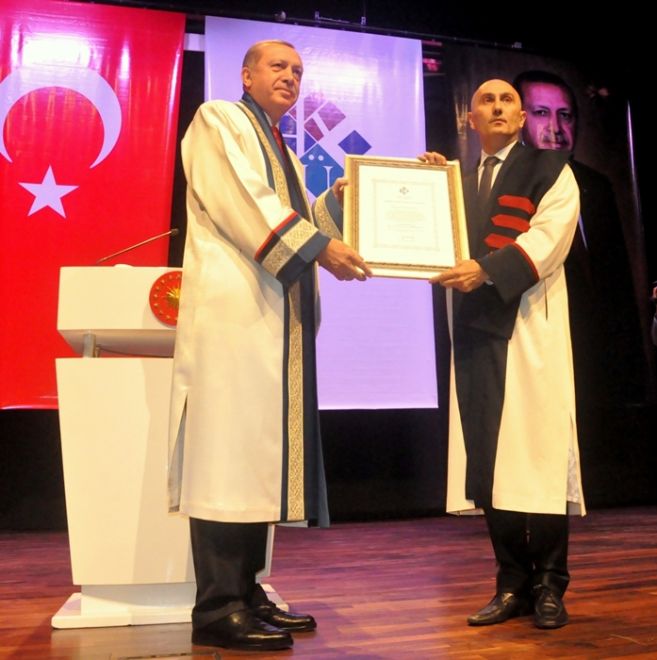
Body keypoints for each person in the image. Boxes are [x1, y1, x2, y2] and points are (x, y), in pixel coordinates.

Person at [168, 39, 372, 652]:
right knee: (226, 458)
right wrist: (320, 248)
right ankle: (216, 607)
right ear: (246, 74)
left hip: (270, 321)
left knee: (255, 460)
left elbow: (296, 218)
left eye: (298, 71)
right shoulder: (220, 120)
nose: (290, 77)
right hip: (234, 318)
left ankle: (247, 590)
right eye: (278, 66)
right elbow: (245, 203)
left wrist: (340, 203)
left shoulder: (282, 148)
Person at [421, 79, 585, 629]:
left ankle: (550, 585)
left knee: (540, 455)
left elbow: (550, 238)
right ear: (470, 119)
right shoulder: (457, 182)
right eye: (485, 101)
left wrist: (488, 270)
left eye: (506, 100)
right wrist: (426, 187)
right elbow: (432, 237)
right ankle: (511, 582)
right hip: (475, 331)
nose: (496, 107)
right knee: (490, 462)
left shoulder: (550, 168)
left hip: (529, 328)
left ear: (519, 118)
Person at [513, 70, 645, 411]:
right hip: (538, 364)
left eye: (565, 115)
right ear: (519, 121)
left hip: (600, 369)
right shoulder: (506, 187)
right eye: (541, 113)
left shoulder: (596, 186)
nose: (556, 127)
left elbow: (619, 289)